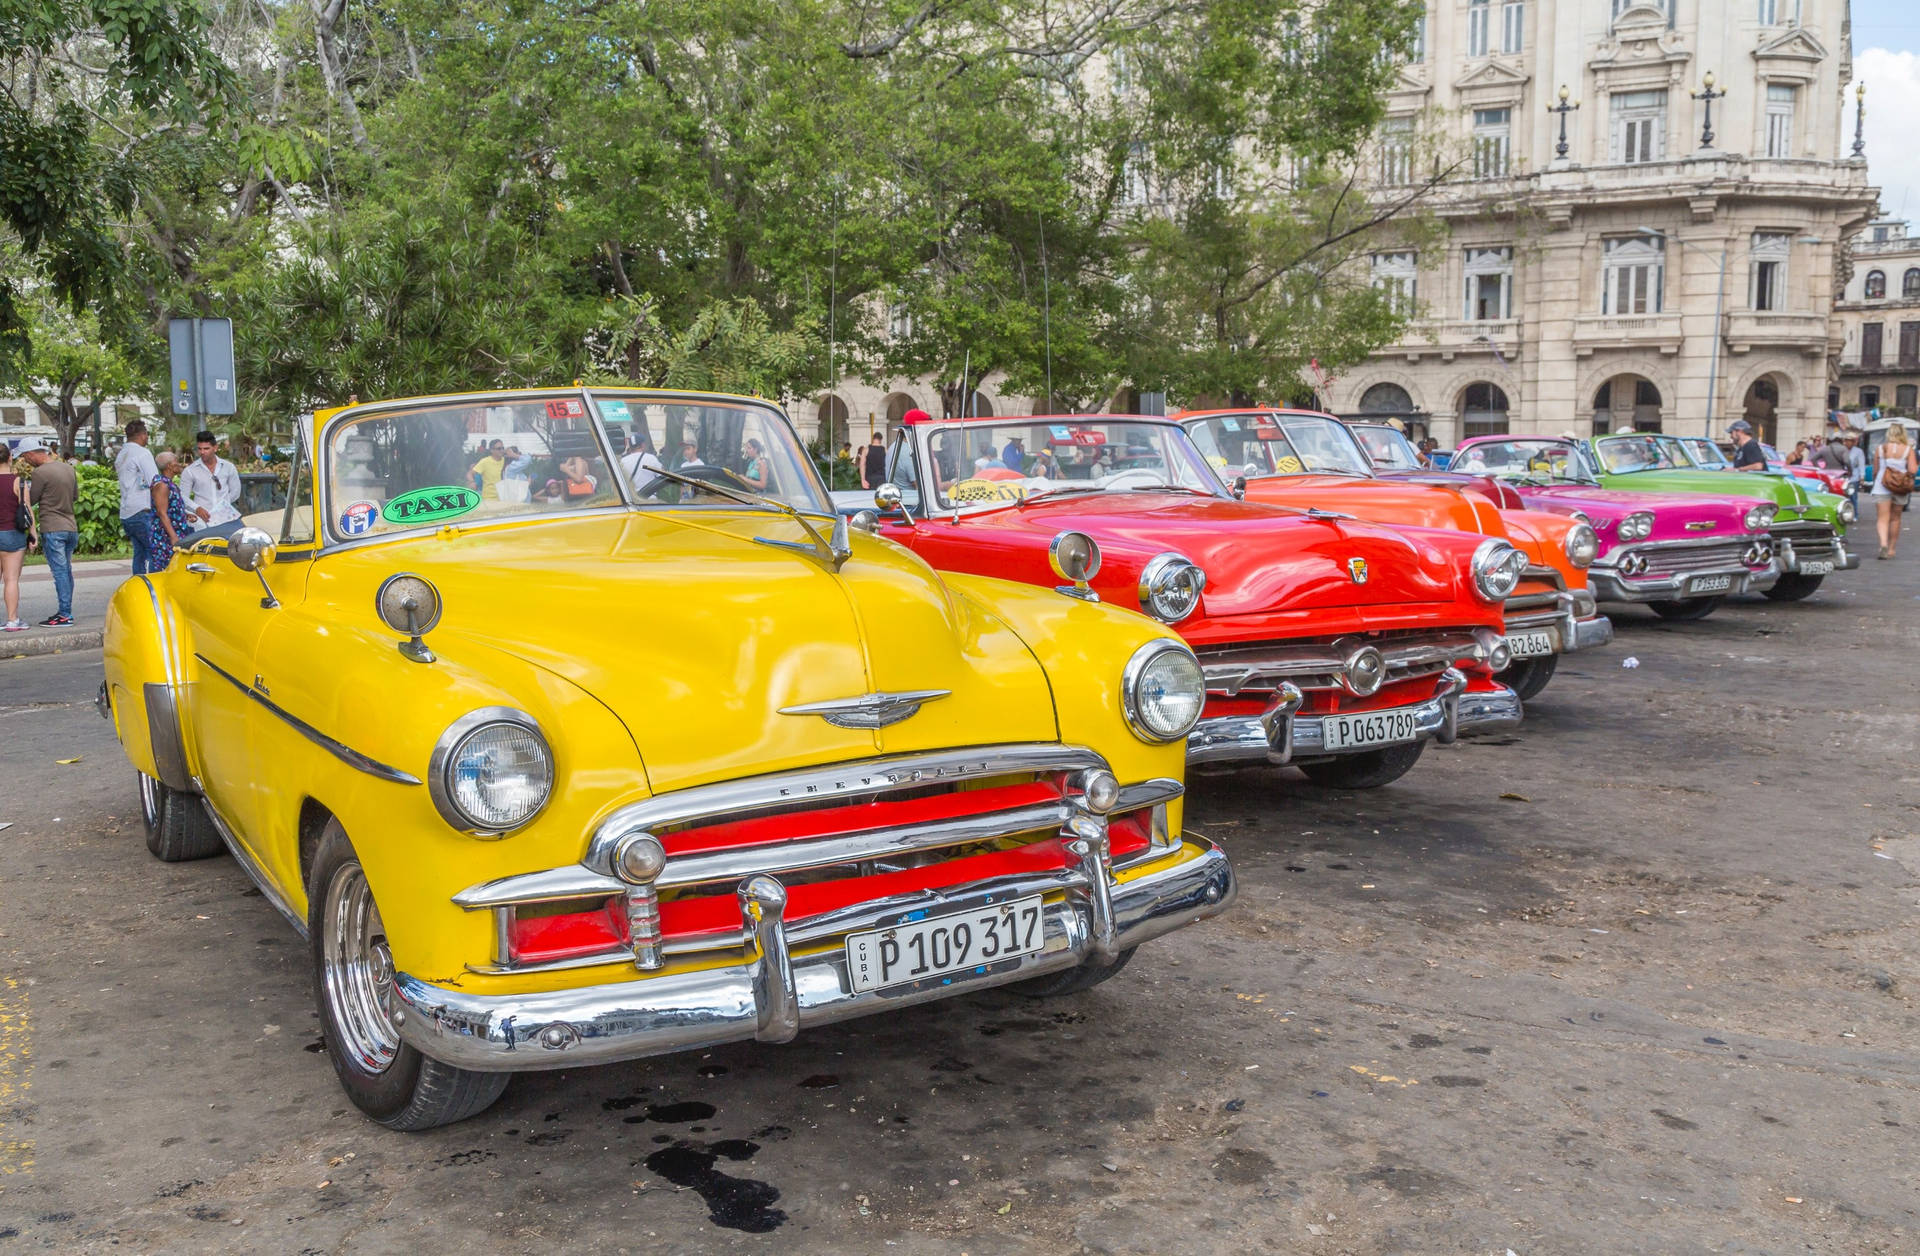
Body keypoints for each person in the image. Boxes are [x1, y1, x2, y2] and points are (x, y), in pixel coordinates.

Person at [17, 438, 76, 626]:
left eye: (25, 457)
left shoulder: (40, 473)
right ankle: (67, 610)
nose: (25, 461)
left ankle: (65, 614)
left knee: (59, 572)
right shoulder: (68, 468)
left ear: (32, 454)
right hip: (71, 527)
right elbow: (75, 496)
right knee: (66, 571)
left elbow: (31, 500)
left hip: (52, 527)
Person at [180, 429, 244, 541]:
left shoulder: (228, 467)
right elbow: (182, 496)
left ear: (215, 447)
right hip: (201, 520)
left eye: (206, 448)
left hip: (225, 518)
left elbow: (236, 491)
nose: (202, 452)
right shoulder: (190, 470)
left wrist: (223, 505)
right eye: (199, 449)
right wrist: (197, 508)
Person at [114, 419, 160, 575]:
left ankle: (138, 585)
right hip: (142, 509)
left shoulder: (122, 454)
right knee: (156, 552)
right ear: (142, 435)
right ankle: (154, 588)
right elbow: (155, 482)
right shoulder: (142, 453)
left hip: (127, 512)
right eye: (147, 435)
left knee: (139, 554)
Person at [1871, 423, 1917, 559]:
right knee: (1895, 519)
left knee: (1882, 518)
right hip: (1901, 487)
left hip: (1882, 485)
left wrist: (1878, 478)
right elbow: (1913, 470)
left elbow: (1875, 470)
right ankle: (1891, 549)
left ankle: (1883, 544)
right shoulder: (1908, 450)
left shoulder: (1881, 449)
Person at [0, 445, 30, 631]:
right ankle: (12, 620)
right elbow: (27, 511)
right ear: (10, 457)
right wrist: (33, 534)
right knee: (11, 579)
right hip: (13, 533)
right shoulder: (18, 482)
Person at [146, 451, 191, 572]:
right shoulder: (162, 485)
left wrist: (185, 515)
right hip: (165, 536)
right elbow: (161, 512)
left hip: (171, 531)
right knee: (164, 568)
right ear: (170, 466)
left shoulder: (167, 483)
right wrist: (173, 536)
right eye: (176, 461)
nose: (179, 464)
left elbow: (168, 508)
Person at [1845, 430, 1867, 515]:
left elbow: (1861, 464)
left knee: (1853, 497)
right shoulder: (1842, 450)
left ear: (1853, 442)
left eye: (1849, 441)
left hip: (1854, 477)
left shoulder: (1858, 451)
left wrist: (1862, 477)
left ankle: (1854, 514)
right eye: (1846, 440)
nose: (1847, 443)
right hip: (1844, 477)